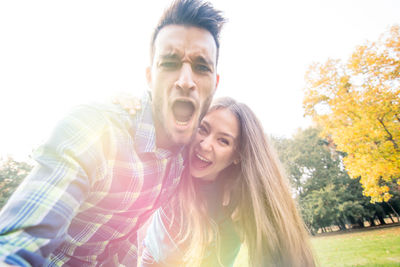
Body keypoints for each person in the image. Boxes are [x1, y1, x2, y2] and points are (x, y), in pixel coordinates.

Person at [0, 0, 225, 266]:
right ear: (150, 77)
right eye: (170, 62)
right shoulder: (97, 130)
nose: (186, 81)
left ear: (215, 83)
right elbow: (20, 243)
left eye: (202, 67)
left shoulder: (188, 155)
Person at [136, 97, 316, 267]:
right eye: (203, 129)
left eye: (223, 141)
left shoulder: (243, 196)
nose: (205, 145)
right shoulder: (172, 166)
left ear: (237, 155)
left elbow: (283, 250)